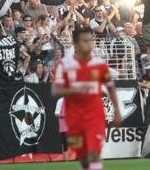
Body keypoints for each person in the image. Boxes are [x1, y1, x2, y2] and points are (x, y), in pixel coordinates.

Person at [52, 28, 122, 170]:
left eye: (91, 40)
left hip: (95, 116)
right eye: (85, 41)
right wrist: (74, 90)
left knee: (93, 155)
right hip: (74, 118)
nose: (89, 44)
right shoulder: (63, 65)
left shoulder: (100, 65)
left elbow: (110, 88)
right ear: (75, 44)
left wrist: (117, 111)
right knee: (83, 159)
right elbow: (55, 91)